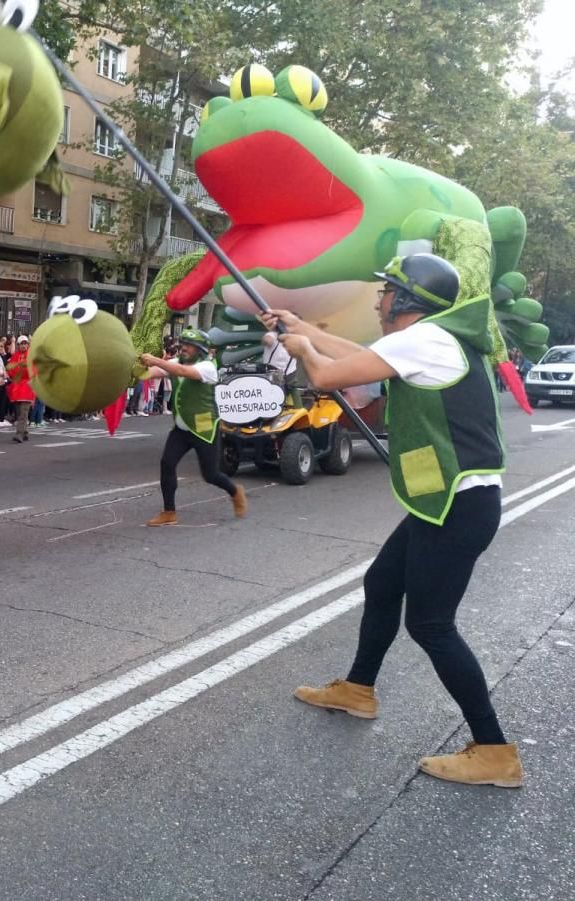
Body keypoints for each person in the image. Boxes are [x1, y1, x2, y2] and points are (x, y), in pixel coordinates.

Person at [267, 253, 521, 788]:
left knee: (431, 624)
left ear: (406, 299)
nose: (379, 299)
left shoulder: (424, 339)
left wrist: (304, 347)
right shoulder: (430, 339)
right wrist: (303, 327)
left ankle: (495, 751)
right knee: (382, 585)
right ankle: (358, 689)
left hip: (457, 506)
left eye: (385, 290)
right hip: (451, 503)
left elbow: (330, 373)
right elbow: (365, 357)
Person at [140, 327, 247, 526]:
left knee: (210, 475)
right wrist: (136, 370)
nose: (184, 348)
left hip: (204, 428)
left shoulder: (208, 367)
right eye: (183, 344)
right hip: (182, 428)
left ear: (200, 350)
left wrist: (155, 360)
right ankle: (169, 512)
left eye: (190, 346)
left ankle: (235, 492)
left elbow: (182, 372)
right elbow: (152, 373)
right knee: (167, 463)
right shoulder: (174, 362)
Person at [6, 334, 34, 443]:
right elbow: (10, 370)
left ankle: (19, 433)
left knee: (23, 412)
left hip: (27, 387)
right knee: (19, 413)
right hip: (17, 388)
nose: (23, 346)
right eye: (21, 344)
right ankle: (25, 432)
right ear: (18, 345)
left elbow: (32, 371)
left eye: (25, 343)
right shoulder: (15, 356)